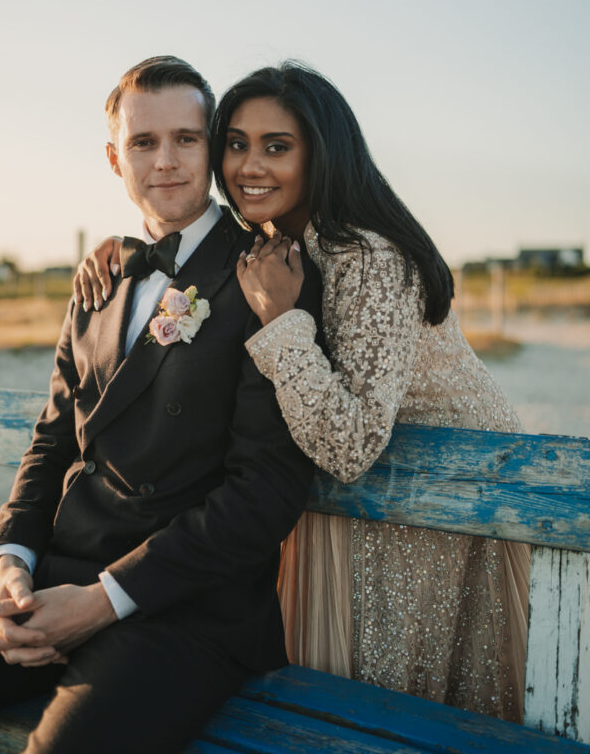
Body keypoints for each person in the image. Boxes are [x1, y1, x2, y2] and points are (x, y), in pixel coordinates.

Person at [0, 56, 321, 754]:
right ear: (116, 157)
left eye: (186, 139)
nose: (165, 161)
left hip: (183, 605)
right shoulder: (103, 277)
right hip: (50, 574)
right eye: (144, 142)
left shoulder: (270, 277)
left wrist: (104, 601)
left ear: (213, 149)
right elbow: (52, 441)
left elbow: (267, 487)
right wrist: (13, 562)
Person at [76, 61, 530, 724]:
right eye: (236, 143)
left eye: (277, 147)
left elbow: (348, 447)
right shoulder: (276, 243)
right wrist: (120, 250)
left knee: (413, 704)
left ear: (322, 155)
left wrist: (281, 323)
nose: (249, 166)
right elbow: (190, 239)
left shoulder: (370, 256)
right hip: (355, 495)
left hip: (450, 497)